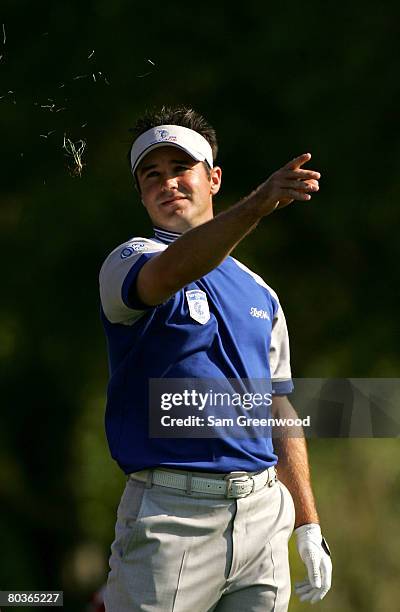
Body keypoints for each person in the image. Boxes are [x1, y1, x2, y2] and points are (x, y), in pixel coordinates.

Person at [99, 106, 332, 612]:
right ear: (141, 193)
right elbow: (171, 272)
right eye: (151, 176)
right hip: (171, 517)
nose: (168, 184)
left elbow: (279, 407)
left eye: (180, 169)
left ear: (214, 178)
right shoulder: (128, 260)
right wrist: (256, 206)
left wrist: (307, 523)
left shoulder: (260, 293)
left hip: (263, 515)